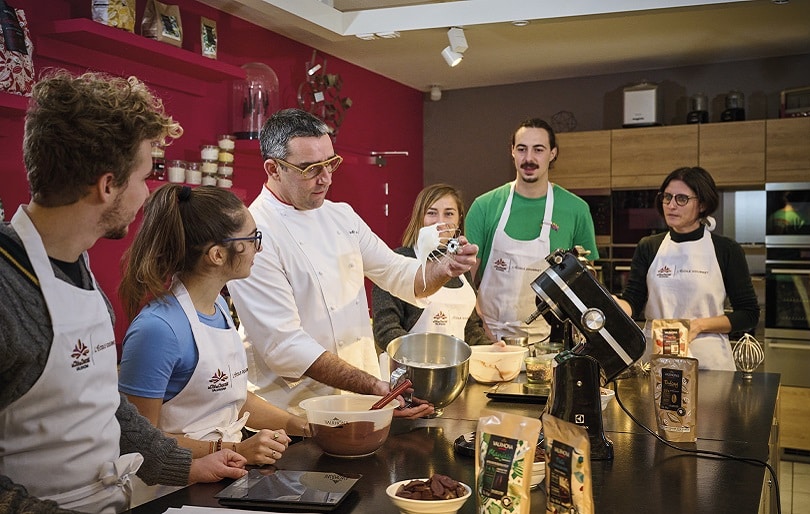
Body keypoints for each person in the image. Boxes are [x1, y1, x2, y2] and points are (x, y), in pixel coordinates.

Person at [0, 70, 246, 513]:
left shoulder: (79, 269)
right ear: (107, 185)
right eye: (144, 176)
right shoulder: (7, 292)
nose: (146, 193)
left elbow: (103, 404)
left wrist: (183, 464)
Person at [227, 108, 478, 417]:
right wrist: (373, 386)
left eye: (331, 163)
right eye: (310, 168)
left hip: (360, 403)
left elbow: (397, 272)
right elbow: (285, 347)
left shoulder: (341, 216)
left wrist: (443, 269)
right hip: (291, 416)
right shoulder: (255, 233)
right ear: (273, 169)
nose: (326, 178)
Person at [118, 184, 308, 469]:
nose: (260, 247)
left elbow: (233, 399)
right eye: (253, 238)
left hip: (223, 471)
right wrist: (236, 449)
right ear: (217, 255)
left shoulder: (218, 306)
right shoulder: (157, 330)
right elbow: (138, 441)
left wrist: (305, 426)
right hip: (169, 488)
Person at [464, 118, 598, 343]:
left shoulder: (576, 209)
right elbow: (463, 281)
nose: (529, 158)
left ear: (552, 153)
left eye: (538, 149)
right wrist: (477, 331)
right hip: (488, 339)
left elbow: (589, 283)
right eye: (522, 149)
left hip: (551, 343)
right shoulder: (484, 206)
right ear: (512, 152)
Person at [616, 166, 760, 371]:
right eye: (667, 197)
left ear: (702, 204)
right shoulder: (649, 246)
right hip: (657, 360)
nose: (671, 205)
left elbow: (748, 313)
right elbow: (634, 300)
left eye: (681, 199)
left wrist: (698, 326)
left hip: (708, 363)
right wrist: (613, 304)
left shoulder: (726, 250)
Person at [372, 183, 493, 352]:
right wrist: (425, 358)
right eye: (431, 213)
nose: (440, 222)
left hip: (456, 371)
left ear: (459, 221)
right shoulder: (397, 261)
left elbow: (470, 329)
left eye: (449, 214)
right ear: (419, 218)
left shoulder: (460, 267)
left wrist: (492, 350)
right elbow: (385, 330)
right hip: (410, 372)